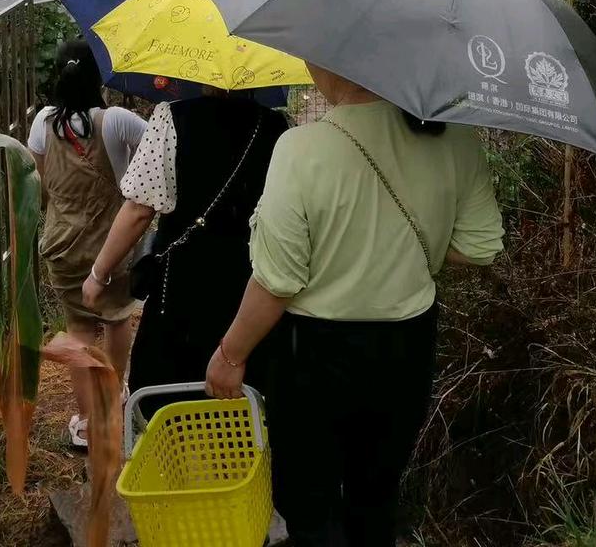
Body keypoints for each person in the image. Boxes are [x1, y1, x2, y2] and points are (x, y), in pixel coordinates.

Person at [205, 65, 504, 547]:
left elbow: (277, 281)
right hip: (408, 348)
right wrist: (401, 248)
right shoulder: (456, 140)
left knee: (311, 504)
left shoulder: (301, 148)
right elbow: (479, 246)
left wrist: (230, 355)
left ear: (333, 61)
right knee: (377, 495)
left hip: (314, 359)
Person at [82, 90, 288, 409]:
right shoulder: (276, 126)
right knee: (242, 405)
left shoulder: (172, 117)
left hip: (181, 287)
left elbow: (139, 209)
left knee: (171, 398)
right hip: (249, 285)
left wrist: (98, 273)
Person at [27, 39, 147, 448]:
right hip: (109, 250)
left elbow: (43, 185)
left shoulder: (42, 122)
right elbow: (161, 153)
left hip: (60, 246)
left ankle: (83, 421)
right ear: (99, 78)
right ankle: (113, 402)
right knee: (116, 321)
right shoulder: (117, 121)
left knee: (78, 331)